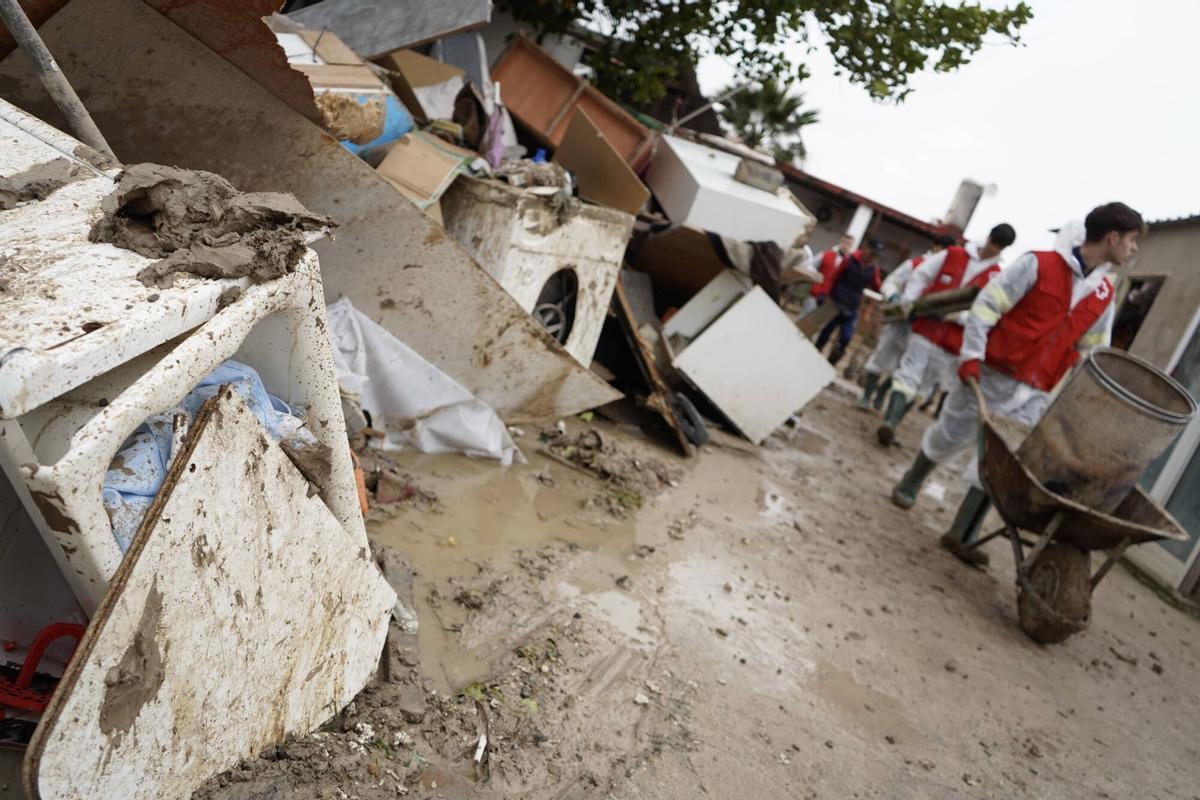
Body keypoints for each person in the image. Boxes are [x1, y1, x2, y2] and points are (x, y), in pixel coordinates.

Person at [890, 203, 1144, 567]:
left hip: (1036, 391)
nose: (1134, 250)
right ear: (1113, 237)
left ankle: (961, 532)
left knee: (1006, 462)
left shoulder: (1103, 294)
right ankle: (911, 482)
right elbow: (986, 308)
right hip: (992, 373)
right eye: (1133, 241)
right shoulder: (1038, 265)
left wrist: (1086, 399)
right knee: (952, 433)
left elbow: (1093, 352)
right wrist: (971, 357)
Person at [875, 223, 1016, 446]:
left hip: (953, 341)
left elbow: (990, 313)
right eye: (993, 243)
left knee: (925, 385)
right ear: (988, 237)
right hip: (926, 328)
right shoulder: (953, 254)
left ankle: (894, 424)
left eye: (999, 247)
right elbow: (921, 275)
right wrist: (910, 303)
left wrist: (957, 318)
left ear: (1004, 249)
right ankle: (889, 423)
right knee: (908, 373)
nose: (993, 249)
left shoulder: (996, 277)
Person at [856, 234, 956, 410]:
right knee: (882, 354)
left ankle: (882, 393)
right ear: (937, 247)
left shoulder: (948, 275)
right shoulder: (915, 264)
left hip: (922, 326)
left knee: (906, 365)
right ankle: (866, 397)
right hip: (899, 319)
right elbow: (891, 282)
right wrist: (894, 297)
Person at [814, 240, 884, 365]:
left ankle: (831, 362)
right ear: (865, 248)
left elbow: (878, 287)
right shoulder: (850, 259)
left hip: (852, 306)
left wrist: (884, 293)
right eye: (871, 253)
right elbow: (834, 277)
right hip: (837, 301)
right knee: (826, 331)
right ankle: (814, 353)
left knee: (846, 337)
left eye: (875, 255)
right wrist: (824, 293)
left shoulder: (873, 269)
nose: (872, 257)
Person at [802, 233, 856, 313]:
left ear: (851, 246)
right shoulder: (825, 254)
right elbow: (811, 265)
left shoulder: (850, 263)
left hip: (831, 297)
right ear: (840, 242)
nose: (845, 245)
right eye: (844, 242)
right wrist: (816, 275)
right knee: (805, 315)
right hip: (816, 292)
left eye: (848, 244)